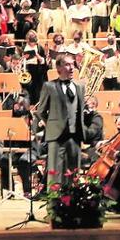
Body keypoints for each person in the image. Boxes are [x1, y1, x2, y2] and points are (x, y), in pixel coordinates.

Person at [37, 55, 87, 186]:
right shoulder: (49, 86)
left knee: (74, 174)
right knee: (55, 174)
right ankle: (54, 205)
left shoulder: (80, 86)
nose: (71, 68)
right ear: (58, 68)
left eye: (72, 65)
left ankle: (72, 204)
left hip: (75, 136)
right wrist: (52, 125)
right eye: (67, 65)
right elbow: (40, 111)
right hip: (56, 136)